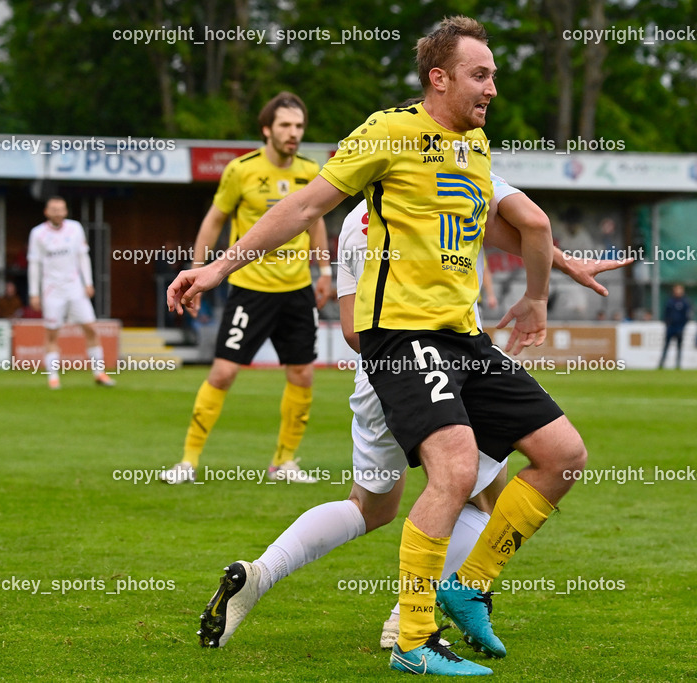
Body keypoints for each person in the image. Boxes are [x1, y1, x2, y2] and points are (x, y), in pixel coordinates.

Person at [167, 17, 589, 676]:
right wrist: (218, 269)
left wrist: (558, 266)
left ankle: (462, 588)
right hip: (402, 345)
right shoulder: (386, 135)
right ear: (438, 77)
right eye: (481, 75)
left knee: (558, 455)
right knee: (459, 478)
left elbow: (502, 228)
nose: (493, 90)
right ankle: (414, 635)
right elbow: (307, 207)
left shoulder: (471, 146)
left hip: (460, 340)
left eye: (495, 76)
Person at [194, 176, 632, 656]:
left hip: (378, 374)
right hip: (442, 365)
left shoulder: (357, 221)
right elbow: (529, 222)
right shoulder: (456, 165)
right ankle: (411, 619)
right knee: (480, 497)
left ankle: (260, 574)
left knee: (371, 507)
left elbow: (351, 329)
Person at [160, 92, 332, 485]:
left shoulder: (311, 171)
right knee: (222, 373)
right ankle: (187, 461)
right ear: (267, 130)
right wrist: (197, 270)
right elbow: (214, 220)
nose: (294, 133)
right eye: (286, 125)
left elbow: (316, 220)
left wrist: (325, 271)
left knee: (303, 374)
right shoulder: (240, 170)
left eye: (299, 126)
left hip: (297, 290)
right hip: (250, 289)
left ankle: (284, 462)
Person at [27, 196, 115, 389]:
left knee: (91, 328)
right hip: (52, 289)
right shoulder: (38, 233)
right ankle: (53, 376)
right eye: (54, 209)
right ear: (47, 212)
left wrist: (88, 282)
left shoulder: (75, 228)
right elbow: (34, 264)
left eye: (61, 209)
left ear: (66, 211)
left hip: (75, 286)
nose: (58, 212)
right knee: (52, 333)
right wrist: (34, 293)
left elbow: (83, 257)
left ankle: (99, 373)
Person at [658, 283, 691, 369]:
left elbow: (687, 315)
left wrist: (683, 325)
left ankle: (678, 364)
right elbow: (666, 313)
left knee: (679, 346)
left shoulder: (685, 302)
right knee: (666, 346)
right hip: (671, 327)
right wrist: (667, 323)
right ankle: (661, 364)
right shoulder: (670, 301)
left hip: (679, 327)